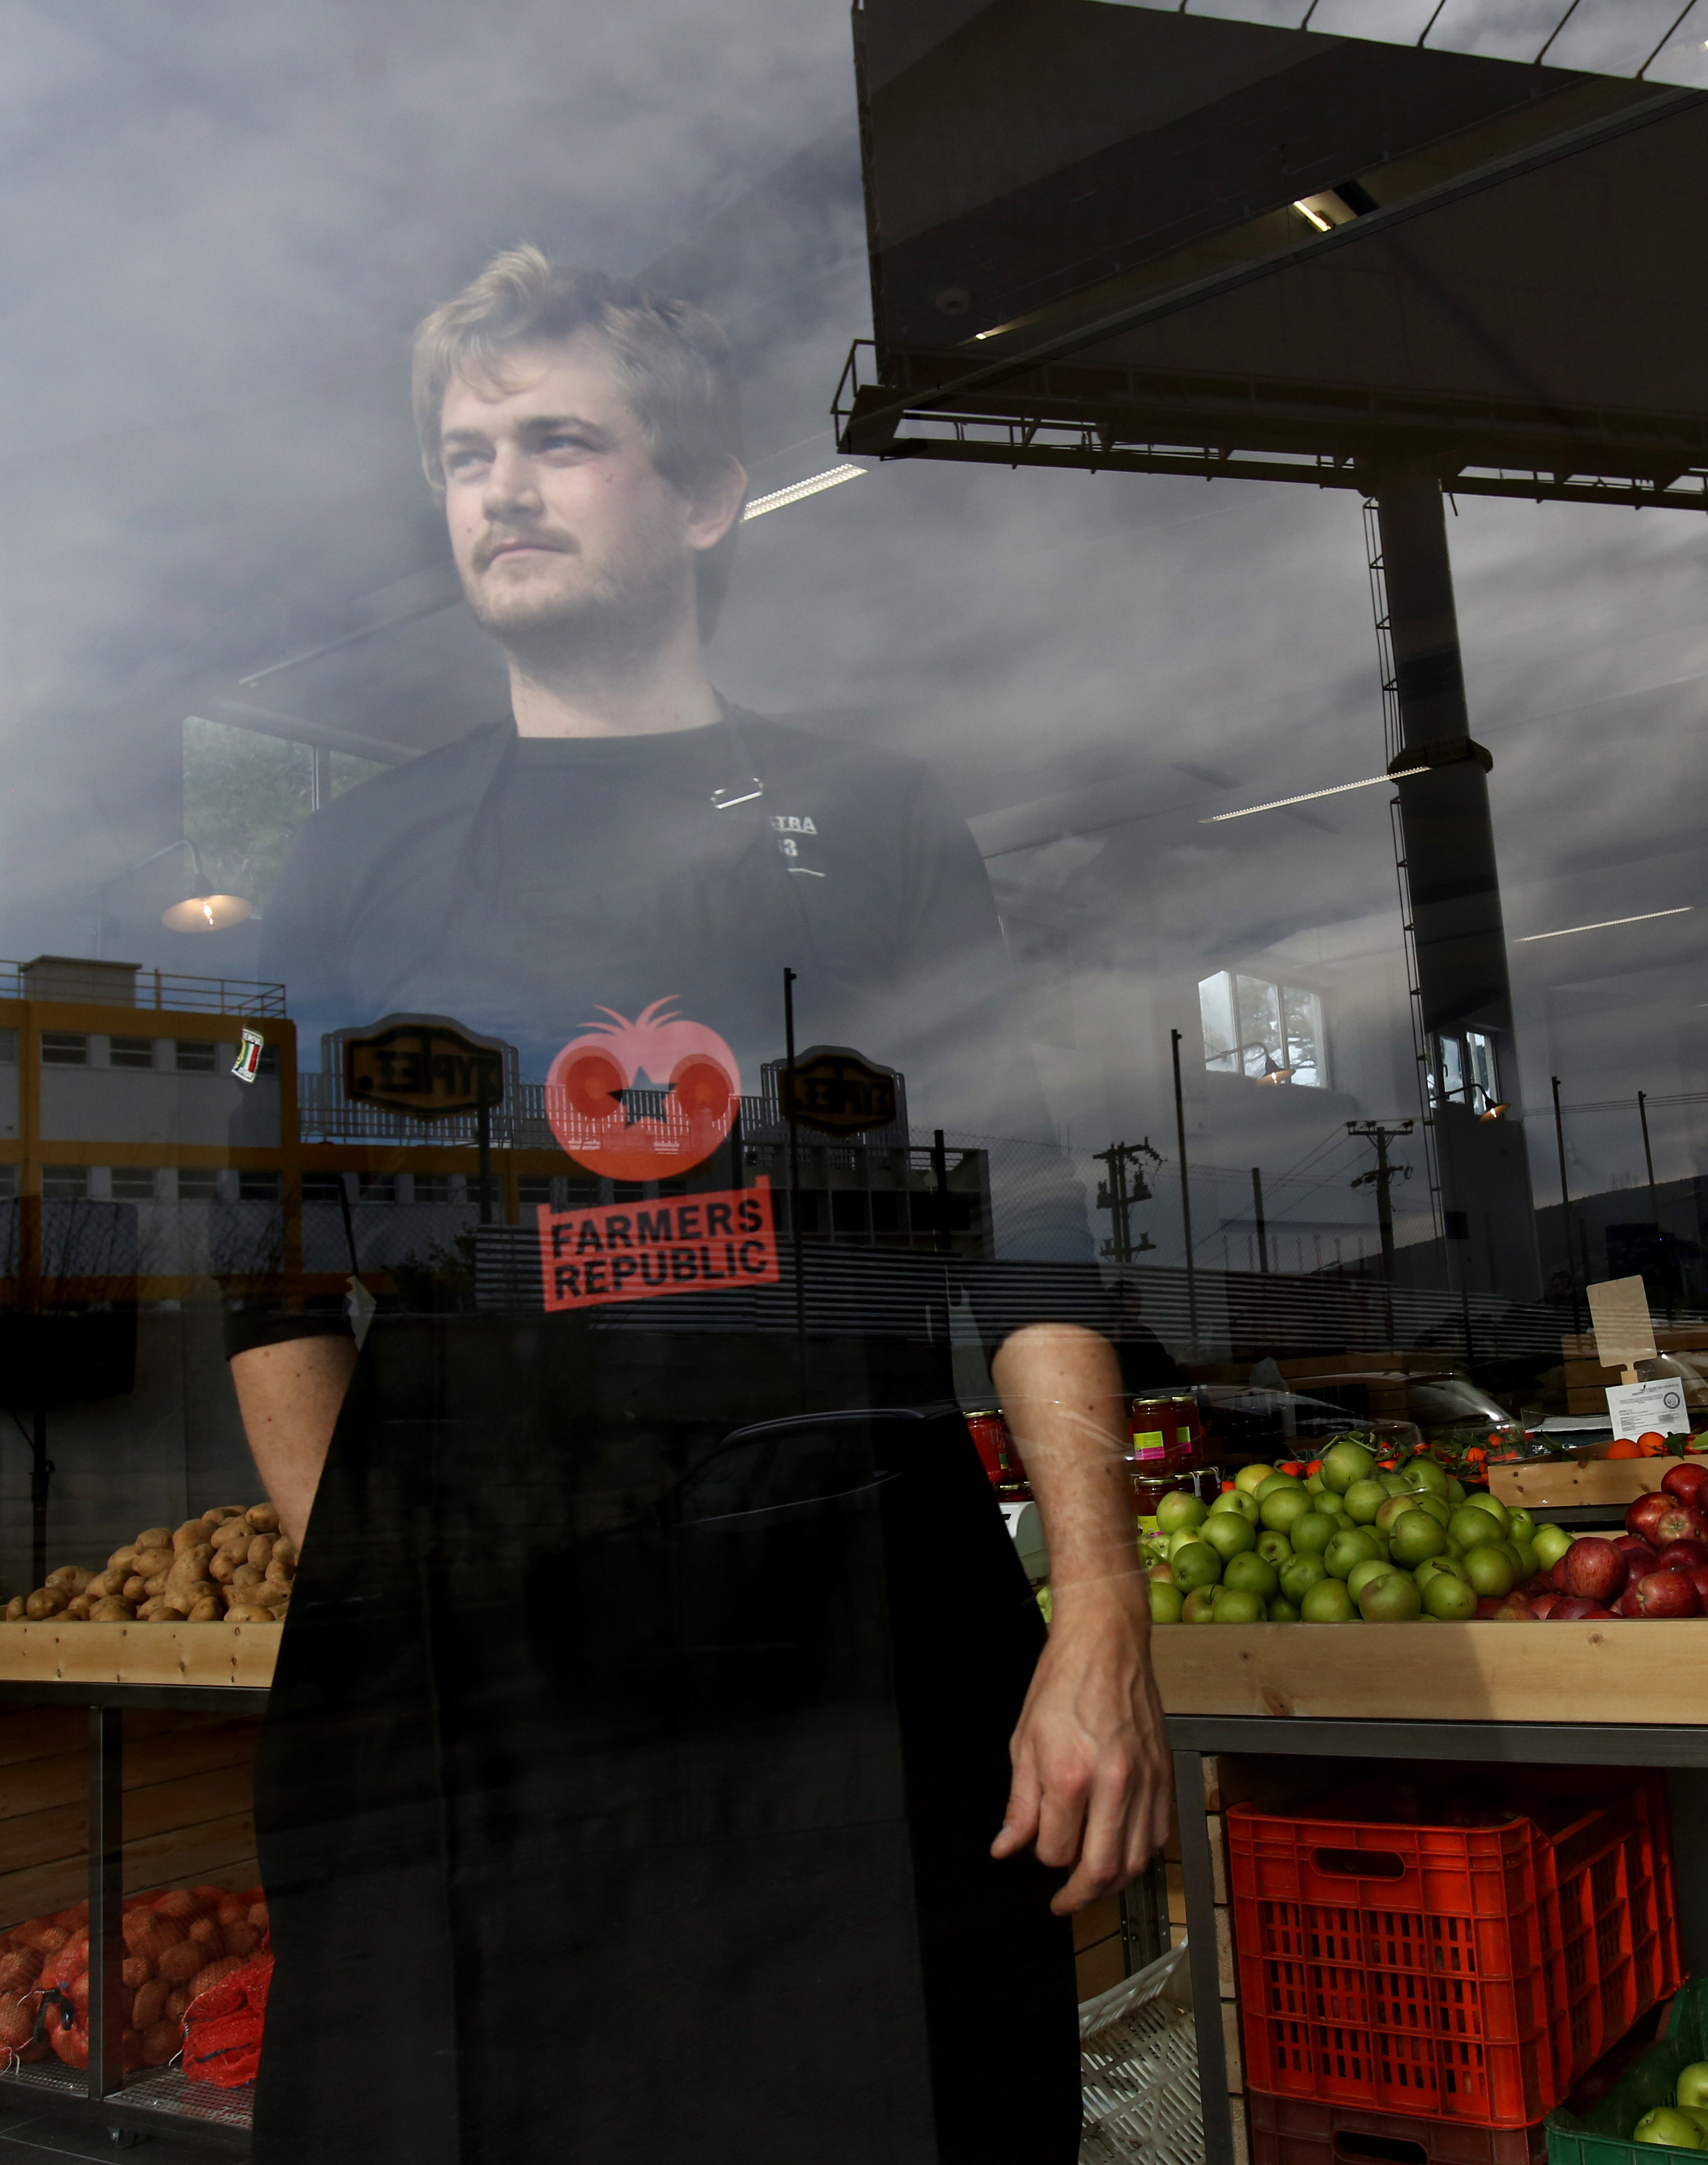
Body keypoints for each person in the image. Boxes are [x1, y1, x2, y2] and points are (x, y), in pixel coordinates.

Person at [225, 248, 1167, 2164]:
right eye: (467, 449)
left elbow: (1030, 1236)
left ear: (707, 496)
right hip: (475, 1706)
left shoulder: (878, 820)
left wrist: (1100, 1619)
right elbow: (272, 1291)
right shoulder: (343, 865)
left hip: (849, 1668)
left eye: (562, 440)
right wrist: (387, 1604)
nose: (500, 485)